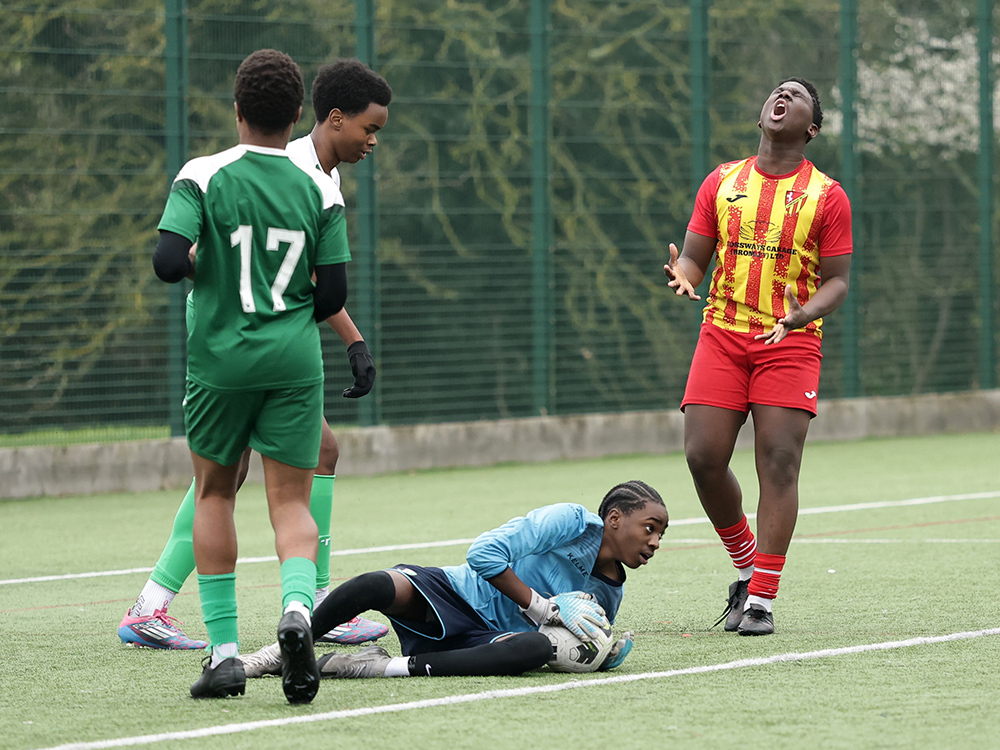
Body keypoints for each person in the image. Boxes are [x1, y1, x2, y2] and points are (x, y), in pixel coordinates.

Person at [120, 58, 393, 651]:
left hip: (252, 333)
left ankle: (157, 604)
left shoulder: (321, 175)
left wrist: (354, 339)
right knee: (241, 473)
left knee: (255, 466)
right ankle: (313, 604)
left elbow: (295, 283)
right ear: (328, 118)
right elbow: (287, 281)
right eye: (370, 129)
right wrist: (351, 337)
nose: (374, 141)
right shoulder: (290, 168)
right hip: (237, 329)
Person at [152, 48, 352, 702]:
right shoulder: (318, 190)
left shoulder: (203, 176)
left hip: (221, 360)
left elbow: (166, 261)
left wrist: (203, 265)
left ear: (236, 110)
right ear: (299, 115)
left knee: (214, 493)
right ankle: (298, 612)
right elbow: (330, 295)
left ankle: (227, 655)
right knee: (291, 501)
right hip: (293, 360)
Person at [663, 78, 852, 636]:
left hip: (788, 342)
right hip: (722, 335)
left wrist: (801, 313)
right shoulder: (723, 181)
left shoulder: (827, 194)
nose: (783, 96)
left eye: (796, 96)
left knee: (778, 460)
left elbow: (838, 282)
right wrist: (683, 275)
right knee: (703, 456)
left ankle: (762, 597)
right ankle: (747, 566)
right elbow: (696, 257)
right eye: (778, 91)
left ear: (810, 128)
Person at [237, 480, 668, 679]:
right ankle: (278, 652)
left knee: (531, 649)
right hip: (453, 591)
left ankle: (376, 667)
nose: (655, 542)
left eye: (661, 534)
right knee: (374, 585)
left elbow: (556, 643)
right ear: (614, 519)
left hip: (484, 641)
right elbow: (483, 554)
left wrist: (595, 652)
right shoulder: (571, 521)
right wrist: (546, 606)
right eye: (649, 527)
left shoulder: (610, 592)